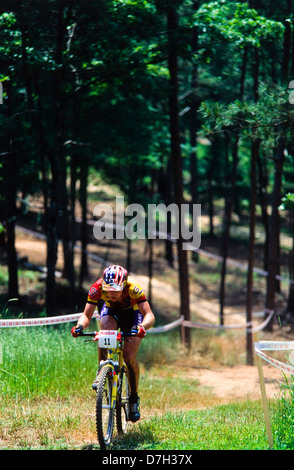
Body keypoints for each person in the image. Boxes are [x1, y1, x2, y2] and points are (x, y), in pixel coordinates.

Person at [71, 264, 155, 422]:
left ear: (123, 284)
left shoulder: (133, 288)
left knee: (129, 356)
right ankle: (101, 369)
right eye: (109, 289)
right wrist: (79, 326)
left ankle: (133, 398)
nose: (112, 293)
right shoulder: (97, 287)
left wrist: (142, 327)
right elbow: (86, 315)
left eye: (116, 289)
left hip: (134, 314)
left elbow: (149, 315)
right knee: (105, 331)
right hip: (111, 312)